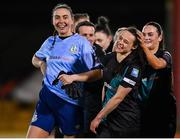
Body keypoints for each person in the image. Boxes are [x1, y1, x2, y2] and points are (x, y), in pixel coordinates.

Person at [26, 3, 100, 138]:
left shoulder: (82, 43)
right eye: (57, 17)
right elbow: (35, 59)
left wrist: (74, 77)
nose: (61, 21)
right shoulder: (50, 41)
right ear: (53, 21)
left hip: (69, 103)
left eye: (65, 17)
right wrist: (42, 63)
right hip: (46, 99)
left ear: (72, 20)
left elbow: (97, 73)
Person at [59, 27, 145, 137]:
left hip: (126, 123)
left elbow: (118, 97)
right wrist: (73, 77)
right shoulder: (110, 57)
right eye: (120, 38)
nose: (120, 42)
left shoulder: (134, 68)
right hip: (108, 119)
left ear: (134, 46)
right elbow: (97, 73)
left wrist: (98, 118)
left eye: (126, 41)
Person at [138, 21, 176, 137]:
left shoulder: (165, 55)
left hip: (163, 113)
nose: (146, 38)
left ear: (160, 37)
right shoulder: (137, 58)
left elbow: (158, 65)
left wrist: (144, 47)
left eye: (150, 34)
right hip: (142, 112)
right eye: (143, 35)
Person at [75, 20, 104, 137]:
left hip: (91, 105)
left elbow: (98, 75)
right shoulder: (67, 50)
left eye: (91, 35)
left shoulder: (99, 52)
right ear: (77, 36)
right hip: (70, 103)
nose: (88, 38)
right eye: (84, 35)